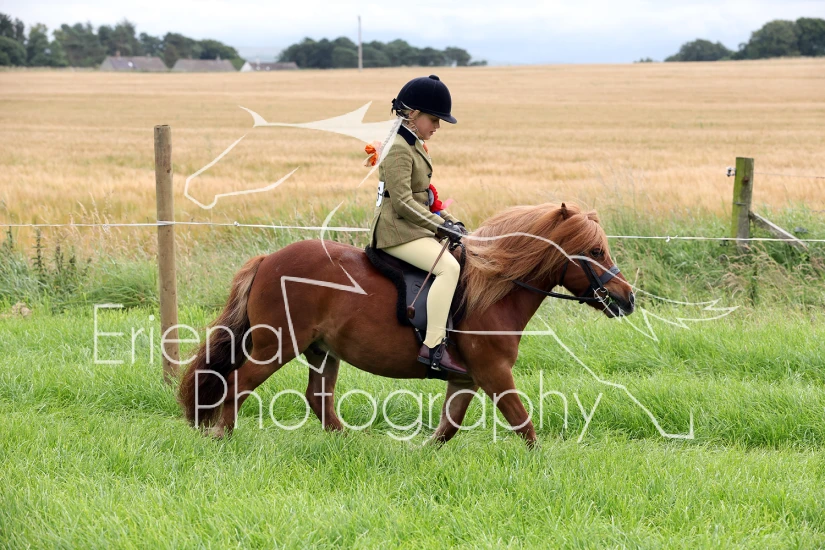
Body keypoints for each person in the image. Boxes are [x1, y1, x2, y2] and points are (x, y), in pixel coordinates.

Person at [367, 75, 469, 375]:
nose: (437, 127)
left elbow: (424, 195)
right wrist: (440, 227)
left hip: (412, 227)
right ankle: (434, 347)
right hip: (396, 232)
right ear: (413, 114)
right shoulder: (399, 148)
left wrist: (451, 221)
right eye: (434, 120)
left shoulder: (414, 144)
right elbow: (402, 202)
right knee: (448, 268)